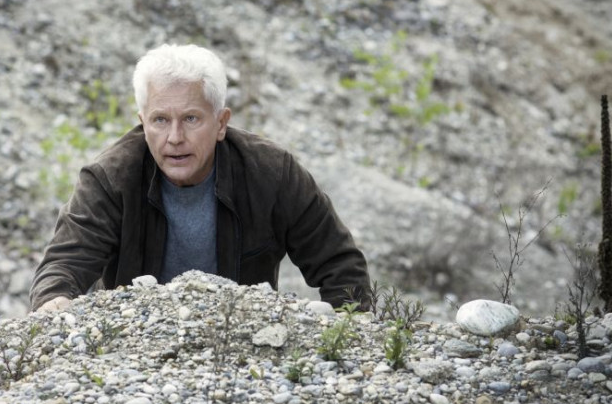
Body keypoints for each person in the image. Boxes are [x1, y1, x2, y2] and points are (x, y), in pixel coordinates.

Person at [30, 43, 370, 312]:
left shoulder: (272, 173)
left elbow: (340, 265)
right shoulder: (109, 179)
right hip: (131, 350)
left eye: (191, 119)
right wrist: (53, 304)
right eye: (160, 120)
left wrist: (347, 341)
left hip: (243, 345)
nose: (175, 138)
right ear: (142, 122)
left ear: (221, 123)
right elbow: (63, 266)